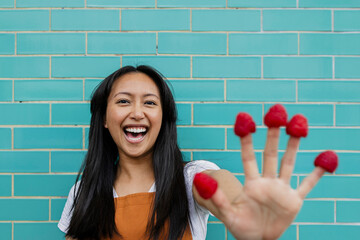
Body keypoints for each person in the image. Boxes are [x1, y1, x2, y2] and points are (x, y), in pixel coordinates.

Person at [58, 65, 325, 240]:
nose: (137, 112)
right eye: (124, 101)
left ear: (163, 118)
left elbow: (222, 188)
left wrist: (248, 210)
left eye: (150, 103)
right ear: (104, 118)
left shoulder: (190, 179)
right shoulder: (83, 194)